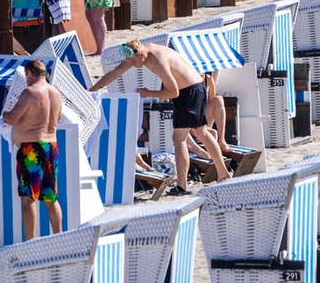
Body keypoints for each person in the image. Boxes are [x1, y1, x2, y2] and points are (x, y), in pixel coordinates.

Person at [91, 38, 230, 193]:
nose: (132, 64)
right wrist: (92, 90)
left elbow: (173, 92)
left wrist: (148, 93)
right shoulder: (139, 51)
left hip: (189, 92)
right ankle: (222, 174)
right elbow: (115, 72)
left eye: (134, 61)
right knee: (200, 133)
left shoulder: (158, 61)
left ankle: (183, 185)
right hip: (194, 87)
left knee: (180, 139)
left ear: (141, 55)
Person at [1, 59, 63, 240]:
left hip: (32, 150)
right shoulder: (55, 92)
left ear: (29, 73)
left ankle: (30, 242)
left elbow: (12, 118)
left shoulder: (30, 92)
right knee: (50, 198)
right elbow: (58, 118)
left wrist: (4, 114)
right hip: (51, 147)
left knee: (28, 199)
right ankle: (59, 238)